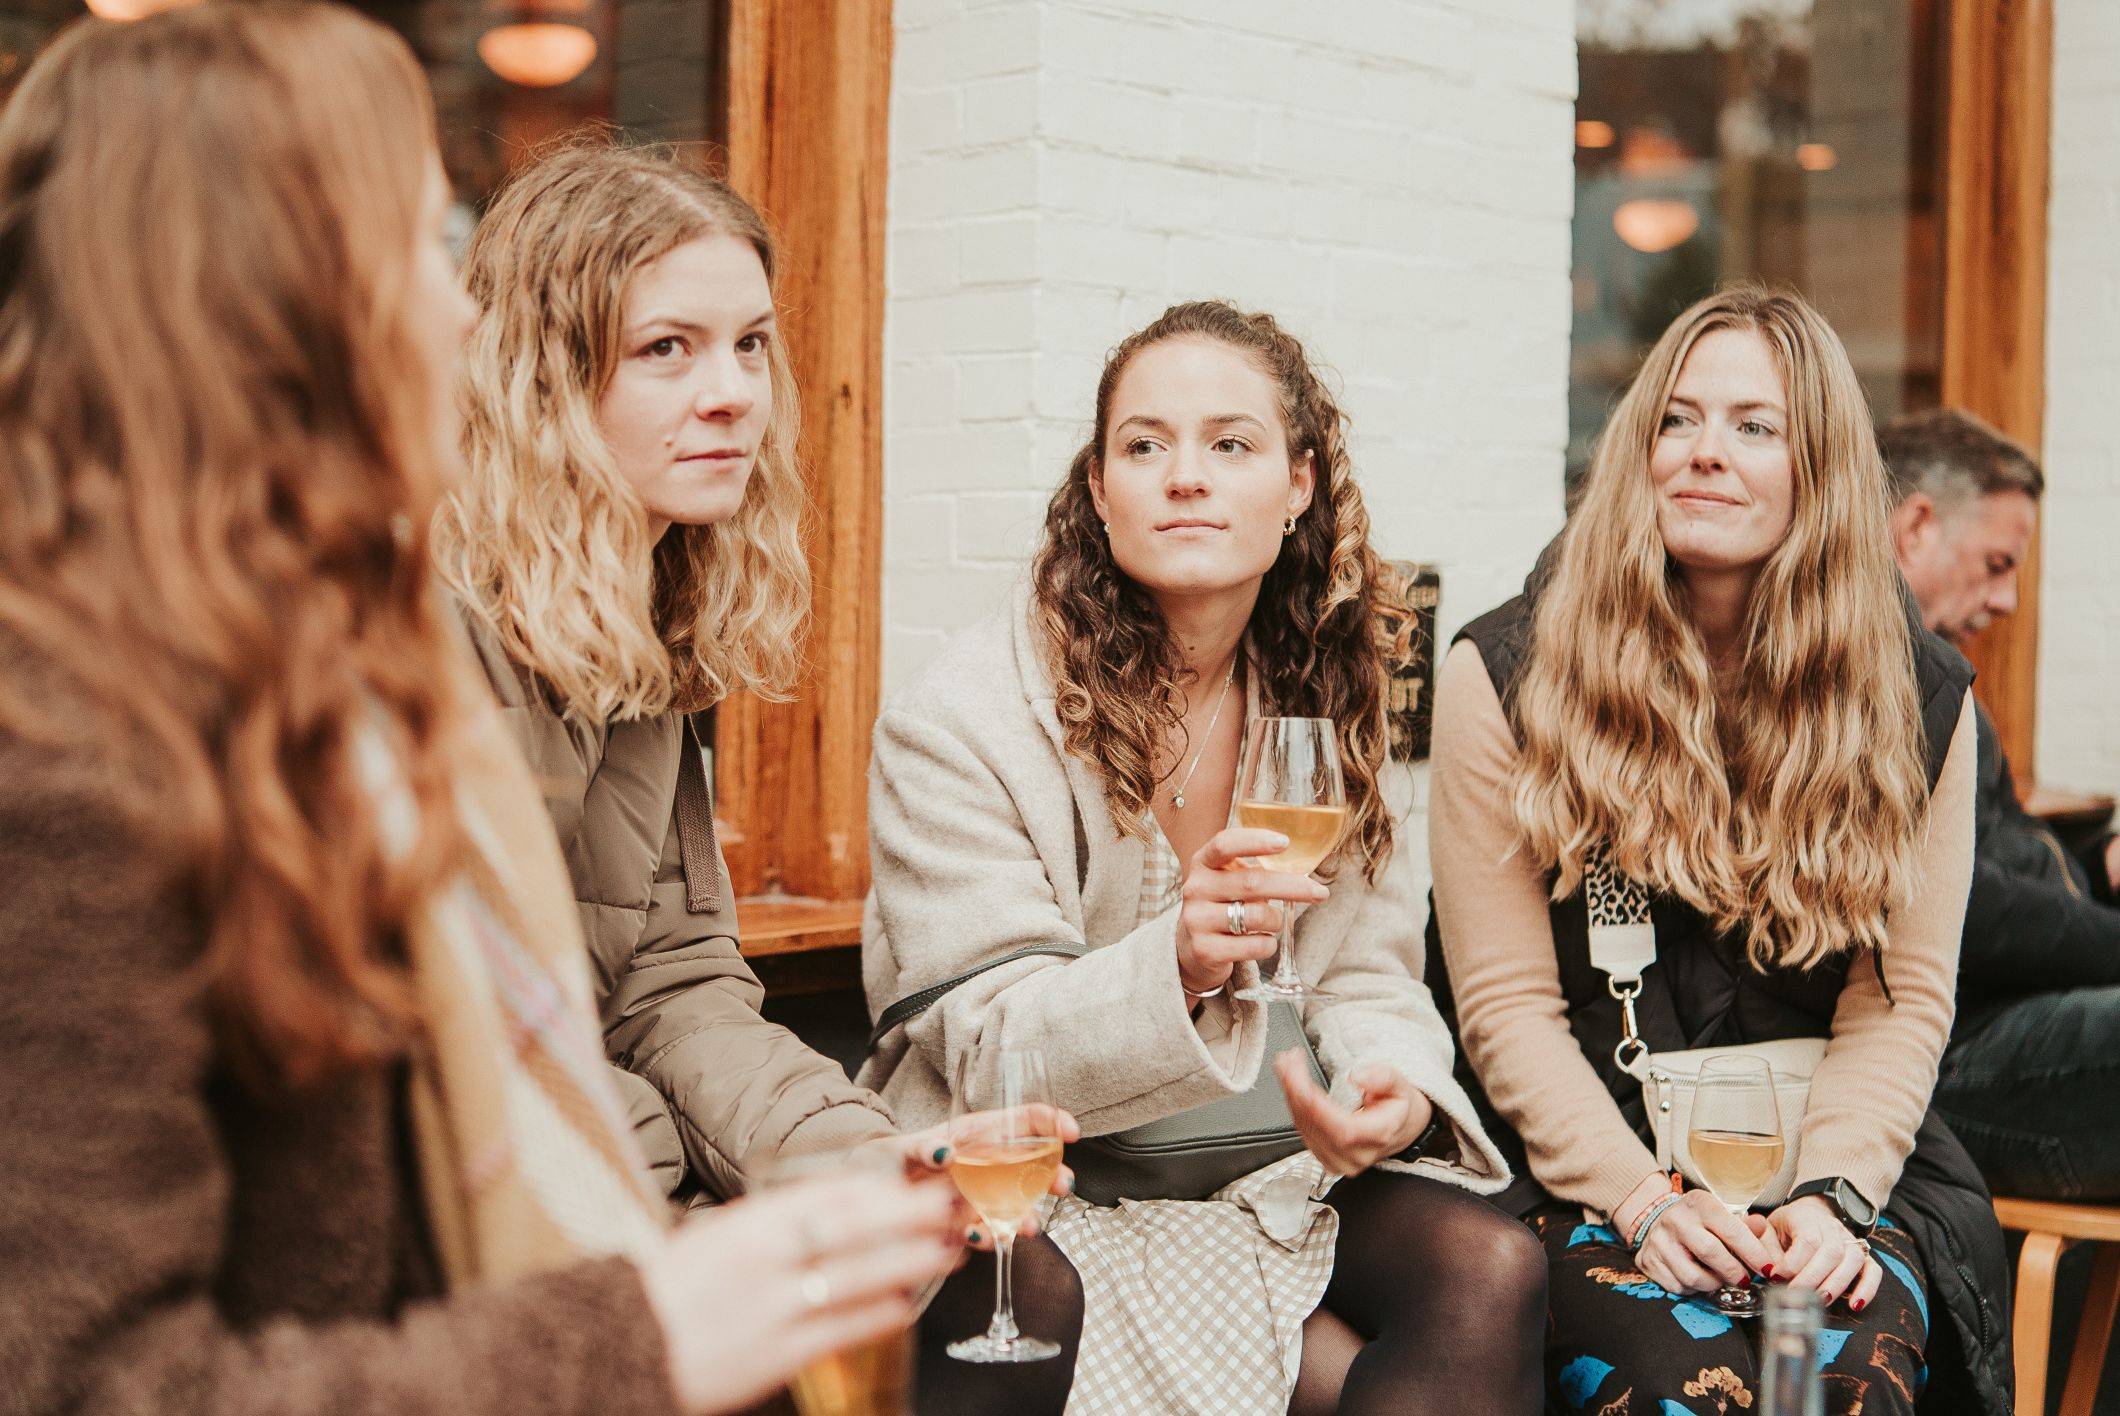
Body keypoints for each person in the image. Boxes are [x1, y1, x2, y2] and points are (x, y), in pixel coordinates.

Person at [0, 10, 961, 1415]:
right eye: (418, 247)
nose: (464, 316)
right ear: (249, 305)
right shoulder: (76, 759)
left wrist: (841, 1157)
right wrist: (646, 1324)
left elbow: (628, 1007)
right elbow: (89, 1378)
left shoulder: (325, 662)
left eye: (750, 345)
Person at [862, 300, 1542, 1416]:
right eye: (1143, 445)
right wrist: (1172, 964)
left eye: (1229, 444)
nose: (1185, 477)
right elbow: (987, 1048)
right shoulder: (963, 715)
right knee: (1016, 1279)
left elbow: (1370, 974)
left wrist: (1392, 1094)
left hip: (1257, 1166)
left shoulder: (1324, 698)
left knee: (1490, 1266)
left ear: (1298, 485)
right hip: (1044, 1173)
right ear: (1097, 488)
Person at [1427, 287, 2011, 1414]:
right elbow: (1502, 1007)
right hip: (1582, 1165)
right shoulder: (1503, 672)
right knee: (1683, 1391)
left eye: (1754, 426)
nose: (1703, 454)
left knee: (1839, 1385)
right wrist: (1639, 1202)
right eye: (1675, 420)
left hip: (1835, 1159)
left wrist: (1835, 1202)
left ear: (1821, 468)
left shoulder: (1916, 698)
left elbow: (1896, 1003)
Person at [434, 140, 947, 1201]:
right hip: (490, 1216)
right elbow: (447, 1027)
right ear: (544, 374)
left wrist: (856, 1151)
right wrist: (656, 1166)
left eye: (750, 343)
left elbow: (667, 978)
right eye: (667, 347)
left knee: (983, 1262)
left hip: (604, 1172)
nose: (732, 395)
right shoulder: (429, 628)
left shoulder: (638, 623)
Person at [1882, 407, 2120, 1201]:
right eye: (1996, 562)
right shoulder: (1869, 675)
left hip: (2017, 1015)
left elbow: (2006, 857)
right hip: (1945, 1053)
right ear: (1914, 528)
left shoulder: (1938, 673)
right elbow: (1956, 903)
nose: (2011, 599)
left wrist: (2101, 865)